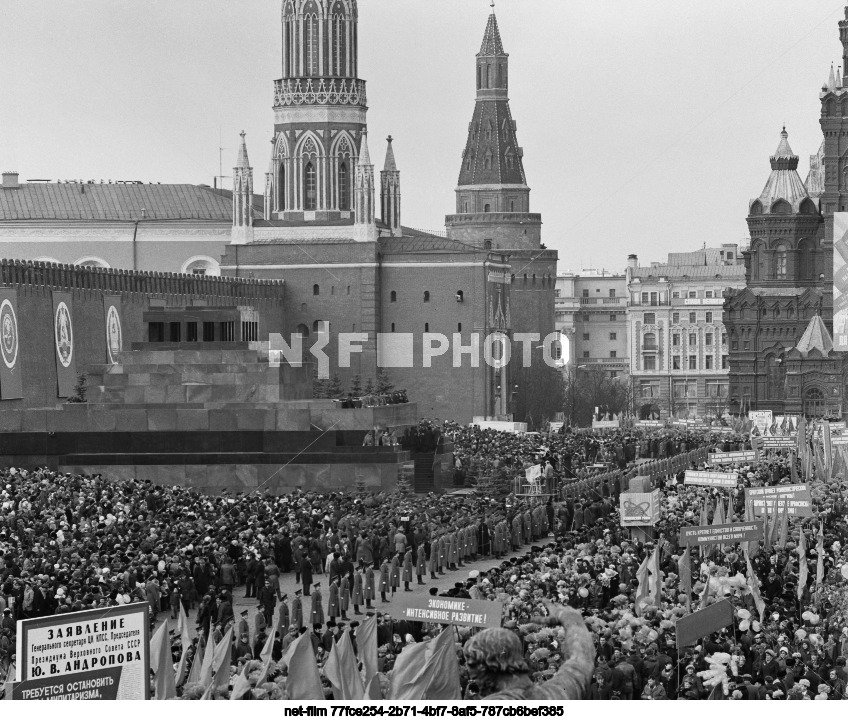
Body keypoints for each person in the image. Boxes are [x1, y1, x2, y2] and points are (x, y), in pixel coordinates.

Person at [463, 603, 594, 700]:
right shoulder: (555, 693)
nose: (473, 677)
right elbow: (581, 662)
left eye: (473, 666)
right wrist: (573, 622)